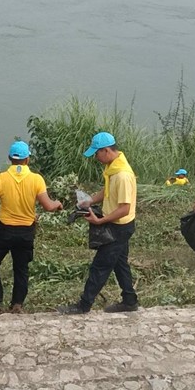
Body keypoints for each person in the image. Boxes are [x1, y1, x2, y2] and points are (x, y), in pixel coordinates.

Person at [0, 140, 63, 313]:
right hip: (26, 232)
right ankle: (17, 304)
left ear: (10, 158)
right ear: (27, 159)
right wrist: (58, 203)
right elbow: (49, 206)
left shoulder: (1, 179)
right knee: (21, 267)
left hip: (4, 230)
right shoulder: (36, 179)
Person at [57, 132, 138, 314]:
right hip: (118, 224)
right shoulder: (114, 167)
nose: (95, 157)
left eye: (97, 153)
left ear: (106, 150)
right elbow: (107, 190)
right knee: (120, 264)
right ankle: (130, 301)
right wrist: (90, 201)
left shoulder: (122, 175)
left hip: (119, 227)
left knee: (100, 266)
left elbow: (124, 208)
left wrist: (100, 220)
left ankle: (83, 305)